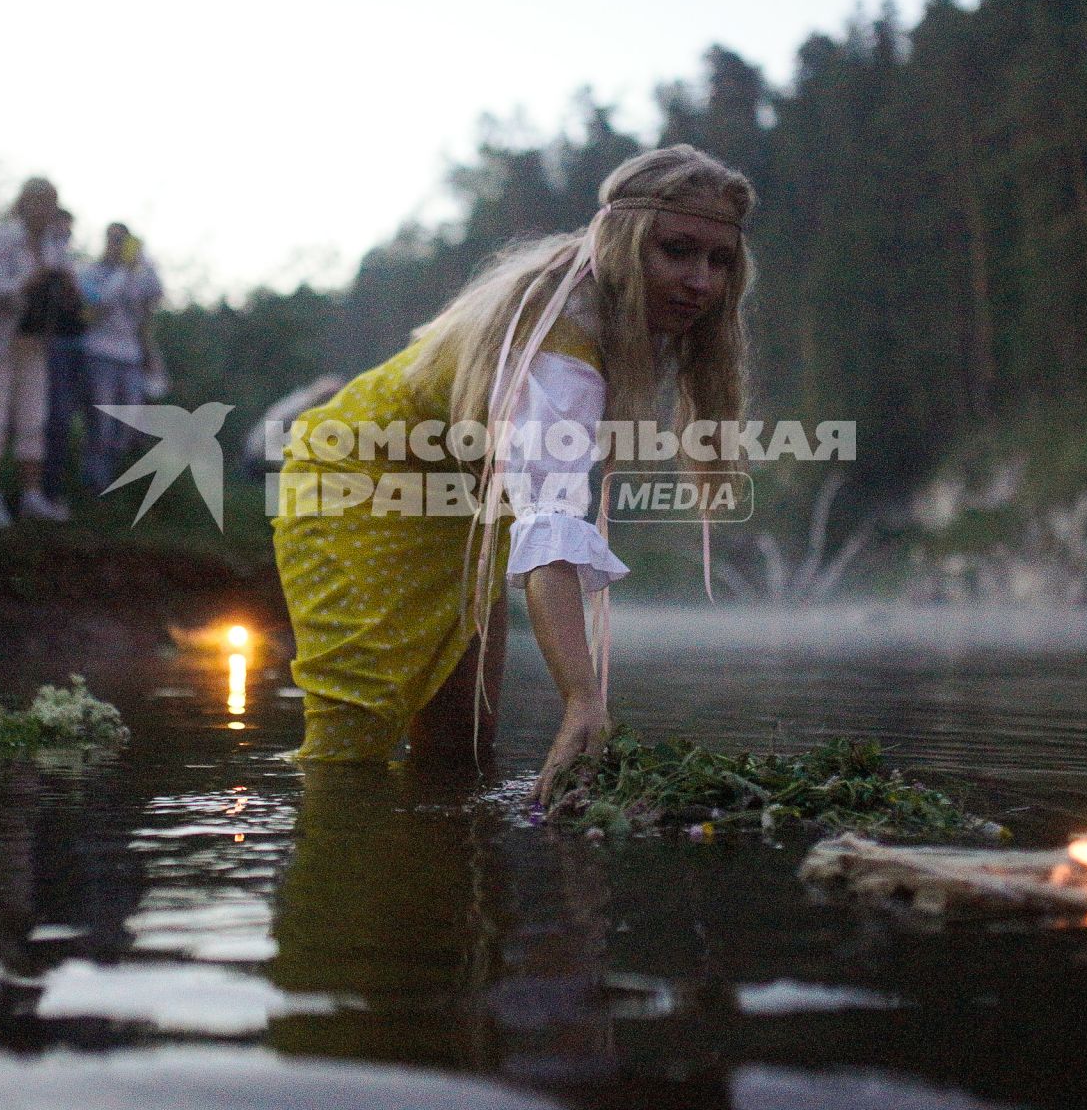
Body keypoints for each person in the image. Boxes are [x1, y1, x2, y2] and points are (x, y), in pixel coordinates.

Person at [272, 145, 754, 800]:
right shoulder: (560, 344)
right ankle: (338, 865)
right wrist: (583, 700)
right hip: (354, 475)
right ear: (623, 242)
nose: (702, 281)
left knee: (463, 743)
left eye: (719, 260)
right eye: (678, 250)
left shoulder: (595, 298)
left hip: (462, 500)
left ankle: (455, 884)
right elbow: (552, 526)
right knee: (349, 739)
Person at [0, 177, 74, 527]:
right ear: (24, 202)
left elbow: (68, 290)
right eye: (40, 202)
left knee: (33, 419)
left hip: (36, 344)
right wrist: (32, 280)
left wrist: (67, 288)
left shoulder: (55, 244)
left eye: (51, 204)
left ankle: (32, 496)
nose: (46, 211)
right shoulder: (2, 239)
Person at [78, 223, 165, 490]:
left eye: (123, 240)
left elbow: (157, 292)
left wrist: (144, 260)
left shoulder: (137, 275)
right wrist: (124, 271)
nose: (118, 245)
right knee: (102, 423)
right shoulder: (92, 273)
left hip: (131, 359)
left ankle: (114, 482)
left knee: (127, 425)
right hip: (99, 355)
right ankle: (94, 485)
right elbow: (101, 301)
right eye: (114, 239)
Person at [39, 207, 88, 513]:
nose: (63, 234)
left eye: (67, 229)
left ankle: (51, 492)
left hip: (70, 348)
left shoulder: (76, 266)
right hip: (38, 347)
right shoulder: (35, 258)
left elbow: (85, 310)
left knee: (59, 420)